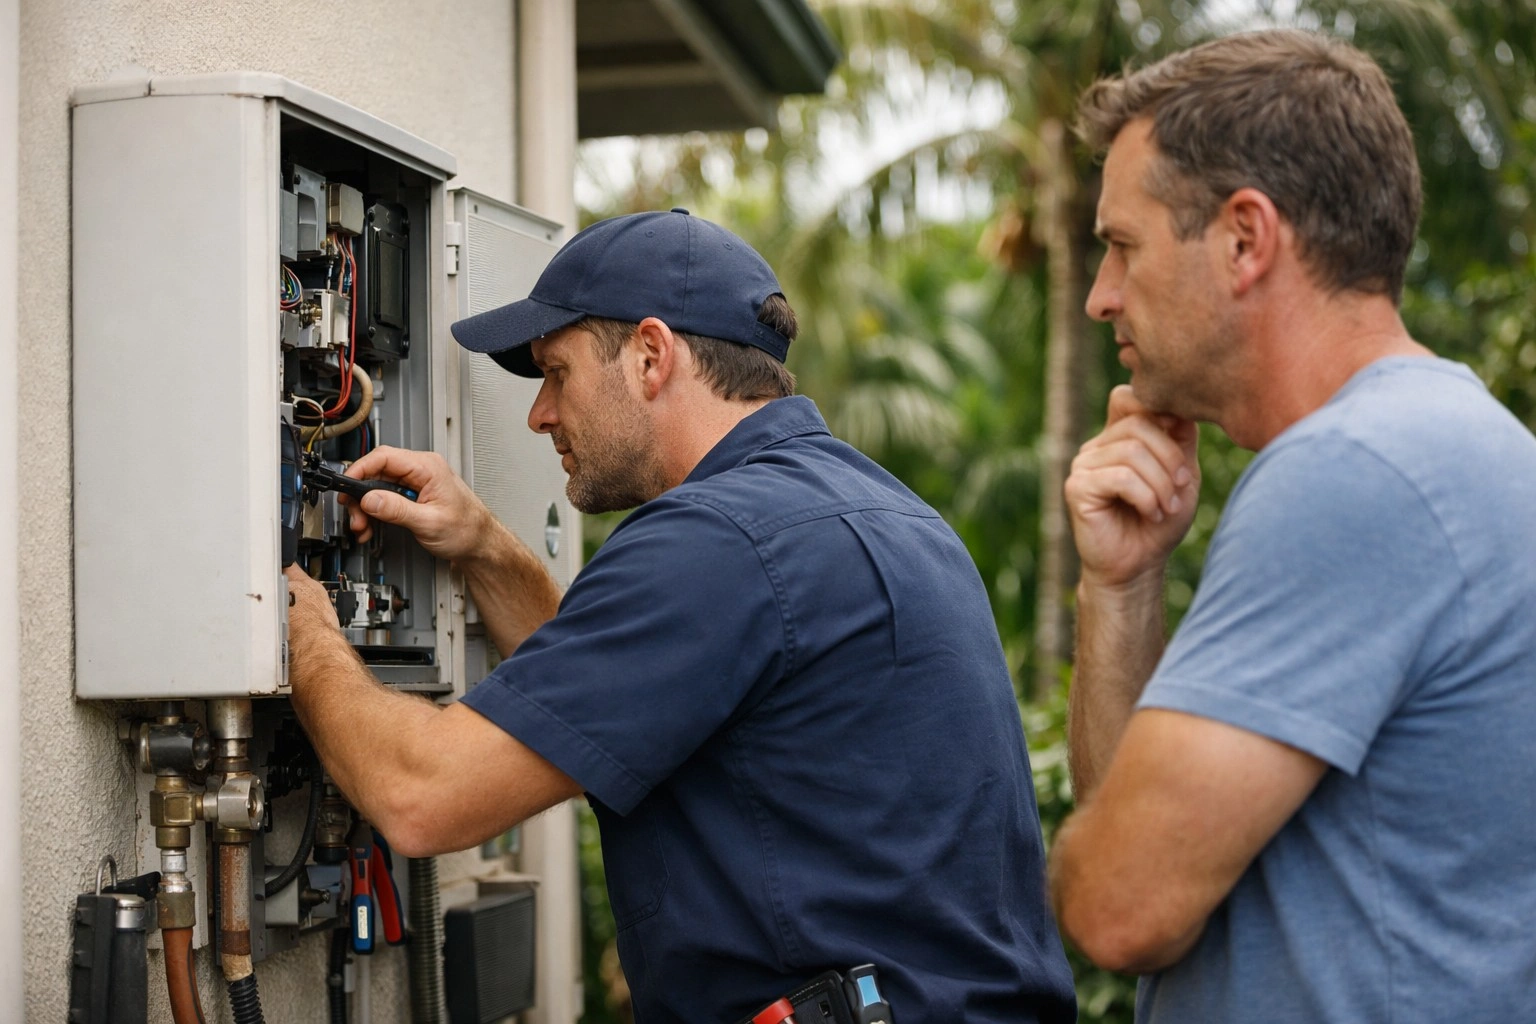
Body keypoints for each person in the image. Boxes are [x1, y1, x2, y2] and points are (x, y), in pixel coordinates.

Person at [285, 208, 1077, 1024]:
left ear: (652, 356)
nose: (540, 414)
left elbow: (422, 795)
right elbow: (617, 697)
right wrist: (483, 545)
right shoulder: (881, 512)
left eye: (557, 372)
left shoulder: (717, 540)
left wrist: (298, 626)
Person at [1048, 28, 1536, 1022]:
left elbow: (1118, 908)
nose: (1101, 297)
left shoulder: (1356, 473)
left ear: (1244, 239)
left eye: (1122, 246)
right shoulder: (1442, 442)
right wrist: (1123, 584)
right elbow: (1138, 832)